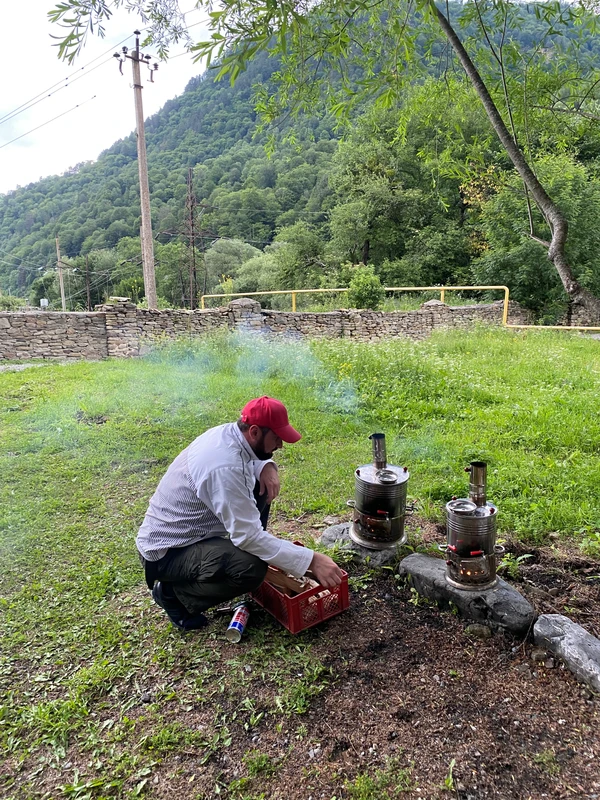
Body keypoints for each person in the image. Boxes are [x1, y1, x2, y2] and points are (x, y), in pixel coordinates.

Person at [136, 395, 344, 630]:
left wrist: (266, 465)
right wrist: (313, 560)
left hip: (194, 533)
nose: (280, 445)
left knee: (260, 490)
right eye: (276, 438)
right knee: (250, 567)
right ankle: (173, 594)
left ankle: (246, 553)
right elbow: (248, 537)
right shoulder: (224, 467)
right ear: (254, 431)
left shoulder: (229, 434)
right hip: (168, 552)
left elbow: (246, 459)